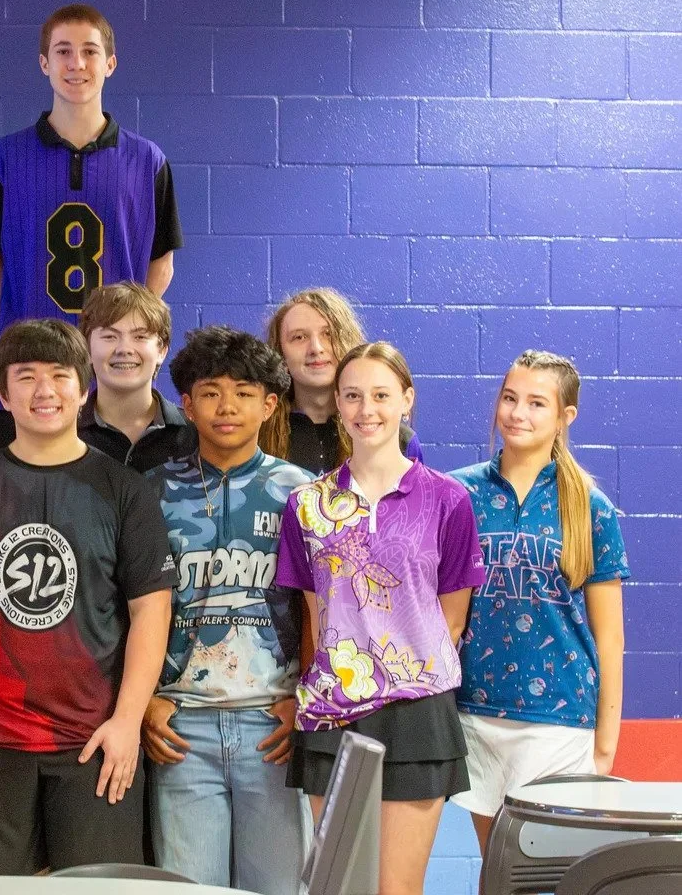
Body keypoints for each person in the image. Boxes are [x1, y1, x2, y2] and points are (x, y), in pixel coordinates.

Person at [0, 319, 174, 875]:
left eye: (60, 376)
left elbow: (150, 610)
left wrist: (127, 720)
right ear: (3, 393)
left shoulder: (122, 489)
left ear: (83, 388)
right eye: (26, 377)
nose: (44, 391)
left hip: (96, 742)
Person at [275, 342, 486, 895]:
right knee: (341, 886)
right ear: (338, 406)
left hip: (418, 714)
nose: (366, 409)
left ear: (405, 400)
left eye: (380, 395)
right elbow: (316, 618)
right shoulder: (307, 505)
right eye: (353, 396)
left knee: (396, 889)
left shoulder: (448, 499)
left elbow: (452, 618)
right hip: (332, 710)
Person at [142, 326, 314, 895]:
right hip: (181, 727)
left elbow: (326, 614)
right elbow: (125, 608)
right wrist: (143, 700)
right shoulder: (151, 492)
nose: (226, 406)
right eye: (210, 392)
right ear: (186, 405)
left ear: (269, 404)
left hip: (273, 725)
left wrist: (304, 702)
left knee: (281, 887)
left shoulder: (304, 494)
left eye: (243, 392)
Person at [0, 4, 183, 447]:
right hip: (31, 371)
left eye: (89, 51)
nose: (77, 64)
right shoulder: (5, 157)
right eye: (63, 51)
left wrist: (122, 333)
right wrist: (19, 326)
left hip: (114, 379)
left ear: (110, 63)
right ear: (44, 63)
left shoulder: (147, 161)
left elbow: (162, 262)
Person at [450, 351, 628, 859]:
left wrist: (605, 741)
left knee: (542, 868)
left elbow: (610, 637)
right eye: (509, 398)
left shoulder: (590, 506)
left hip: (559, 717)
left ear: (564, 416)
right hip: (475, 712)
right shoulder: (459, 493)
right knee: (497, 870)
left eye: (535, 403)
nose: (517, 413)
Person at [262, 287, 423, 474]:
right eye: (299, 337)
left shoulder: (397, 439)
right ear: (280, 352)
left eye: (328, 334)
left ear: (348, 341)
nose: (316, 348)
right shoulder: (258, 434)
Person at [77, 283, 196, 472]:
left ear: (162, 350)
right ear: (87, 349)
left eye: (140, 337)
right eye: (109, 336)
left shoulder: (196, 434)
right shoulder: (64, 432)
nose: (124, 349)